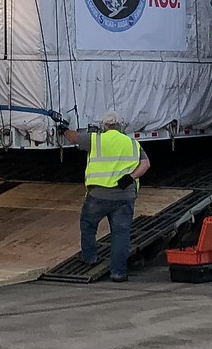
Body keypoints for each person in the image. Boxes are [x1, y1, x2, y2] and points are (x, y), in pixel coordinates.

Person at [56, 111, 150, 283]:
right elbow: (145, 164)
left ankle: (90, 258)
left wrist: (63, 129)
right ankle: (118, 273)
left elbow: (73, 138)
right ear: (120, 126)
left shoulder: (95, 139)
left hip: (98, 196)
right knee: (121, 234)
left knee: (88, 225)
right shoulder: (132, 143)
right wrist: (130, 177)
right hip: (124, 196)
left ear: (104, 126)